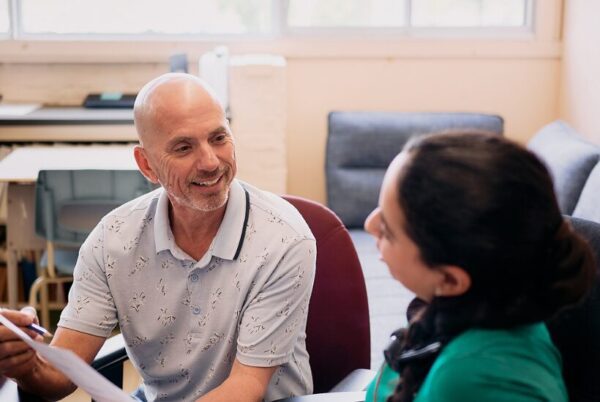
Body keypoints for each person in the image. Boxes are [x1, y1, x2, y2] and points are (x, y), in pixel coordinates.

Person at [0, 73, 316, 402]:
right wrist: (25, 364)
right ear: (147, 165)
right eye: (184, 148)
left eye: (219, 138)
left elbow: (246, 387)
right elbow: (60, 376)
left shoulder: (283, 240)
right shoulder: (111, 242)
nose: (210, 162)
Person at [363, 132, 595, 402]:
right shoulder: (470, 308)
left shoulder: (479, 380)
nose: (369, 224)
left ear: (450, 280)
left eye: (387, 231)